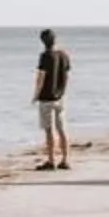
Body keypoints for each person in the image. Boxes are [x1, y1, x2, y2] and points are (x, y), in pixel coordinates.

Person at [31, 28, 72, 170]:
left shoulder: (45, 56)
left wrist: (35, 95)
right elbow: (67, 75)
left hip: (46, 97)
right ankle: (65, 159)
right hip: (60, 97)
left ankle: (51, 160)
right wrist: (63, 91)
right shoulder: (63, 55)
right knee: (62, 129)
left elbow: (41, 78)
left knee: (49, 130)